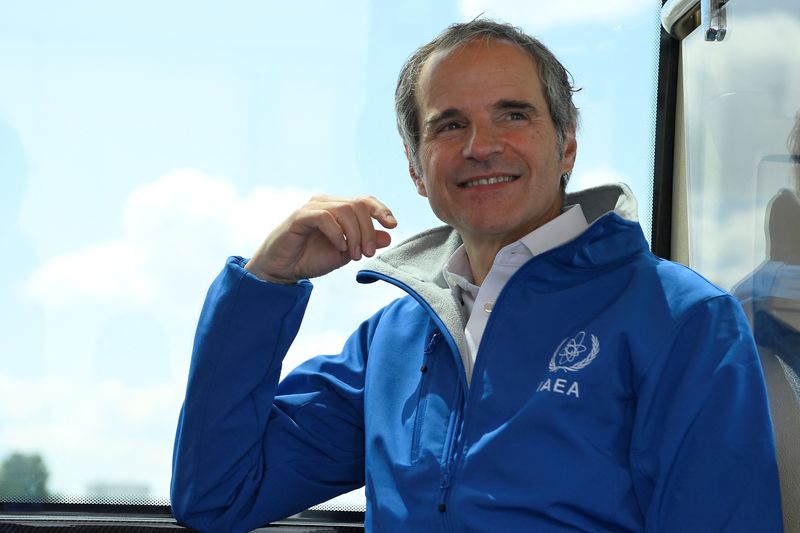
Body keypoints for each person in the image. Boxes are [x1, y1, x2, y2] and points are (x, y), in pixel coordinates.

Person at [170, 19, 783, 533]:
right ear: (415, 166)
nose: (480, 146)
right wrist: (263, 285)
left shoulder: (683, 319)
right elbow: (220, 493)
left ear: (566, 144)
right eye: (449, 124)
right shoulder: (394, 339)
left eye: (512, 115)